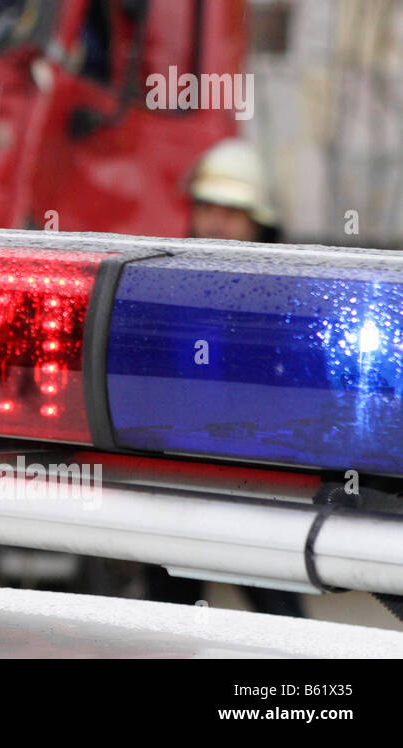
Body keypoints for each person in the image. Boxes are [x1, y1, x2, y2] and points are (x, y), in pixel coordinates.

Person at [144, 138, 305, 617]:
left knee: (284, 623)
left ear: (259, 222)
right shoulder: (163, 287)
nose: (216, 222)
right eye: (208, 207)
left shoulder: (286, 300)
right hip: (176, 483)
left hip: (257, 488)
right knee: (167, 622)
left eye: (232, 212)